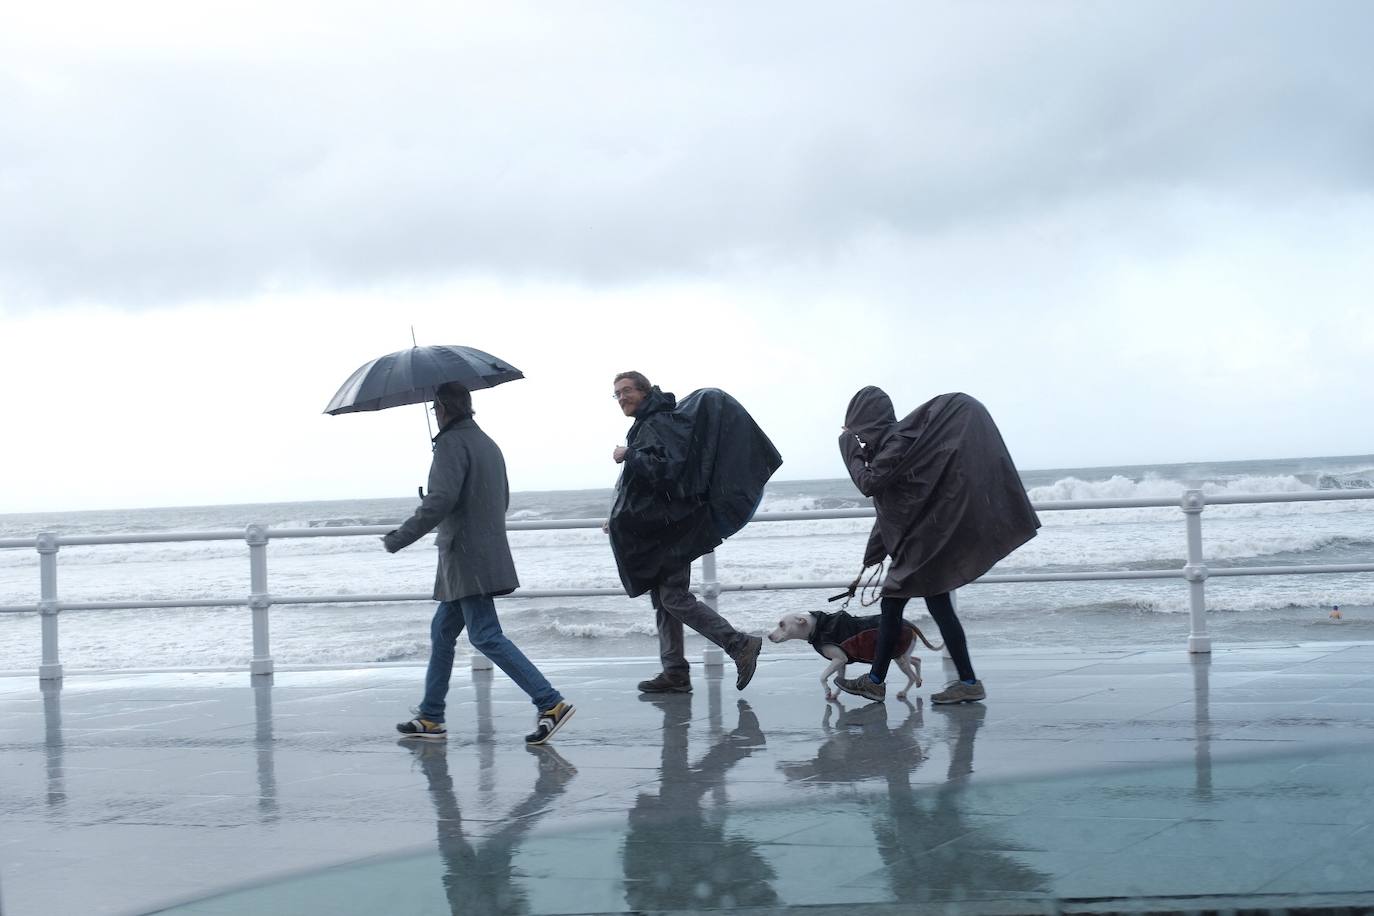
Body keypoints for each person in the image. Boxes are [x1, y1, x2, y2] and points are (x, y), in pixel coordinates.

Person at [384, 381, 574, 745]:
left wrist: (399, 538)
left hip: (465, 557)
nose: (434, 414)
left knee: (485, 635)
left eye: (434, 408)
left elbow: (439, 502)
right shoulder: (488, 443)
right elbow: (498, 499)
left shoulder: (450, 445)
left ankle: (550, 702)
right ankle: (431, 717)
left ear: (441, 407)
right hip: (480, 552)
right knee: (442, 632)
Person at [835, 387, 1040, 705]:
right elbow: (895, 505)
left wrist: (846, 448)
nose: (858, 439)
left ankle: (876, 681)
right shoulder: (890, 445)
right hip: (919, 544)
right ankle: (967, 681)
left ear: (869, 421)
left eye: (858, 431)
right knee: (938, 609)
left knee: (892, 605)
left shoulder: (896, 443)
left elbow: (869, 484)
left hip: (922, 546)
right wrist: (872, 555)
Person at [608, 370, 782, 694]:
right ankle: (674, 672)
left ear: (644, 392)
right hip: (663, 529)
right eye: (616, 393)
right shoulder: (650, 422)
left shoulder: (656, 423)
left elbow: (665, 471)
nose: (621, 397)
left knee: (673, 597)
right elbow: (640, 485)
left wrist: (628, 454)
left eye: (626, 390)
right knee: (663, 599)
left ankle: (739, 644)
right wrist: (618, 514)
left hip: (672, 531)